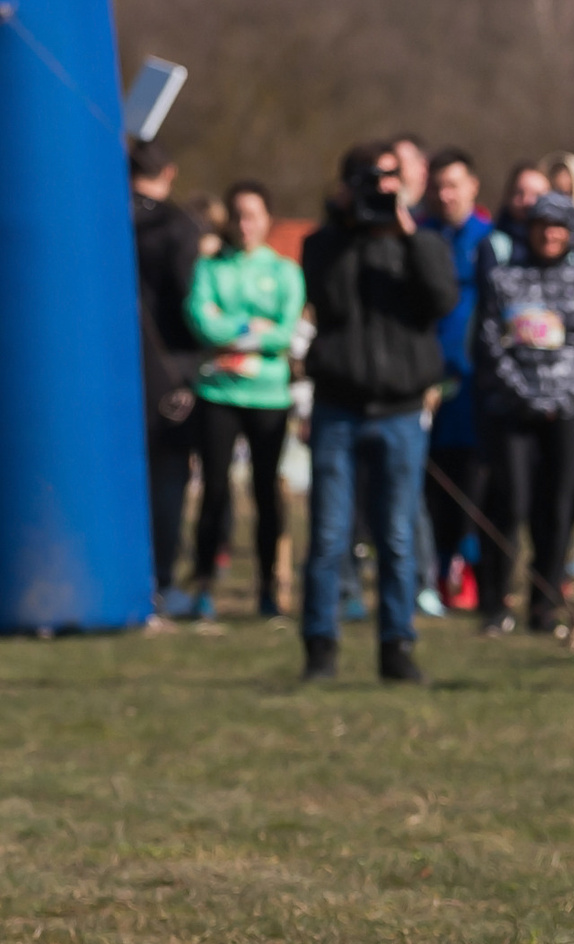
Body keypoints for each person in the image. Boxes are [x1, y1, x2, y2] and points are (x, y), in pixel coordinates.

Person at [299, 141, 459, 683]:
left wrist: (405, 233)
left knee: (396, 535)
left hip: (401, 408)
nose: (379, 192)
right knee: (328, 535)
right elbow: (332, 301)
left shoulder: (424, 242)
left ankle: (397, 644)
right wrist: (349, 227)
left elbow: (441, 300)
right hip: (338, 407)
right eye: (369, 182)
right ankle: (320, 646)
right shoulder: (324, 244)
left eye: (389, 179)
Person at [474, 191, 574, 637]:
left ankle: (545, 602)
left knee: (558, 506)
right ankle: (496, 601)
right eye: (541, 225)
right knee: (511, 502)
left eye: (558, 226)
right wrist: (525, 395)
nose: (549, 235)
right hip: (513, 408)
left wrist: (569, 394)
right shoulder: (504, 279)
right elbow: (490, 342)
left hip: (571, 409)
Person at [181, 181, 304, 622]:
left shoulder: (285, 271)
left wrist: (232, 332)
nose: (245, 225)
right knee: (214, 490)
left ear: (268, 219)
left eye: (253, 215)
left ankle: (269, 587)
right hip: (218, 392)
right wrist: (252, 329)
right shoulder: (210, 268)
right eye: (238, 216)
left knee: (266, 492)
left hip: (268, 395)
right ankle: (203, 583)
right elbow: (201, 320)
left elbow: (284, 331)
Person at [417, 148, 495, 615]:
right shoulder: (418, 235)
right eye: (437, 186)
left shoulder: (490, 240)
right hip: (423, 383)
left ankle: (471, 571)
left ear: (473, 187)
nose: (445, 195)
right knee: (431, 482)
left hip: (473, 384)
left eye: (453, 185)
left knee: (473, 479)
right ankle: (435, 569)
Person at [132, 141, 204, 620]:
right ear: (170, 172)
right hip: (172, 368)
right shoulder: (177, 226)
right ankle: (162, 578)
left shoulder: (104, 217)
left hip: (111, 365)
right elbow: (189, 295)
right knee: (169, 475)